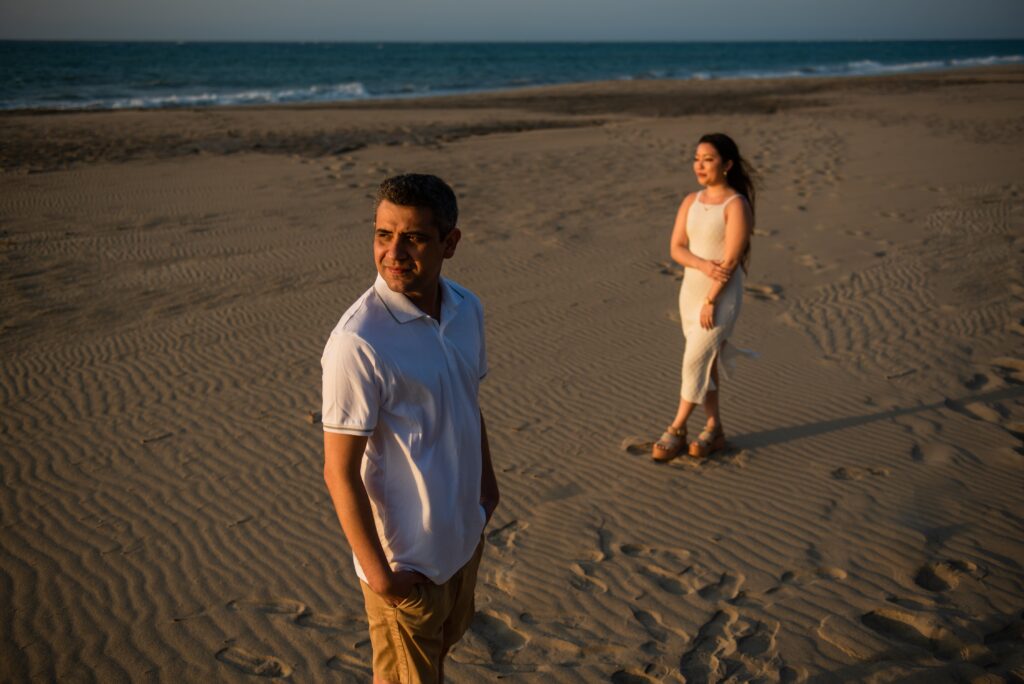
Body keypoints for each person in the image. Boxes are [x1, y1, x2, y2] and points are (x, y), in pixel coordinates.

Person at [321, 173, 500, 683]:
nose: (393, 252)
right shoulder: (357, 343)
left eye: (414, 237)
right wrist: (382, 578)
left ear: (450, 243)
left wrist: (487, 495)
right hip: (407, 566)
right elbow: (338, 473)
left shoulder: (467, 308)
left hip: (463, 539)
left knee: (433, 666)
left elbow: (469, 402)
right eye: (383, 234)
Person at [652, 133, 756, 462]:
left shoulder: (736, 204)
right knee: (706, 363)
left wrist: (711, 298)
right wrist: (701, 265)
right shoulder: (690, 201)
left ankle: (677, 427)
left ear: (726, 165)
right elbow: (676, 248)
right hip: (690, 293)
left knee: (694, 360)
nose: (699, 165)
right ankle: (714, 429)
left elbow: (731, 260)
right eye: (696, 158)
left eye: (708, 159)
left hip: (721, 298)